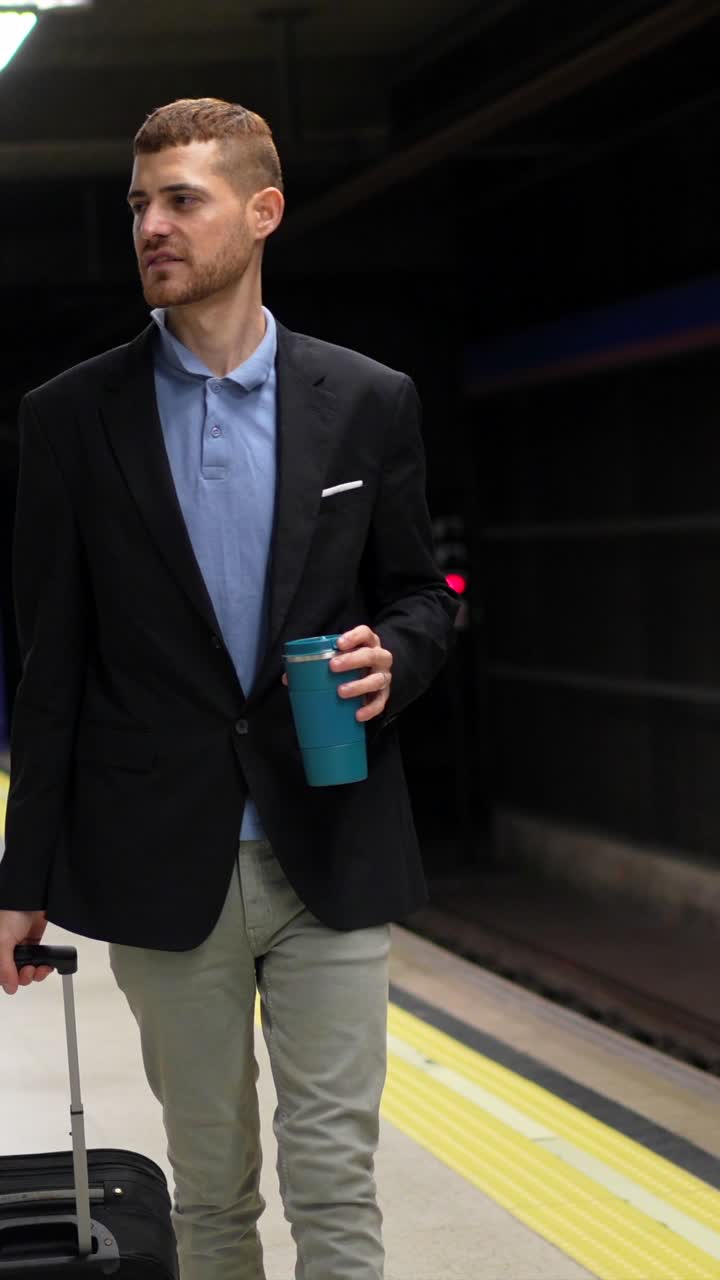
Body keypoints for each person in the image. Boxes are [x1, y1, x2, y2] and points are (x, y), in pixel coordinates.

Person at [0, 98, 458, 1279]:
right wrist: (22, 877)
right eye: (139, 205)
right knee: (208, 1197)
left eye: (182, 201)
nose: (153, 225)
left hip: (332, 836)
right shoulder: (69, 420)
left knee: (335, 1187)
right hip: (162, 856)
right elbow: (49, 665)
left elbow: (423, 589)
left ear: (263, 213)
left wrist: (398, 656)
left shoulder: (365, 398)